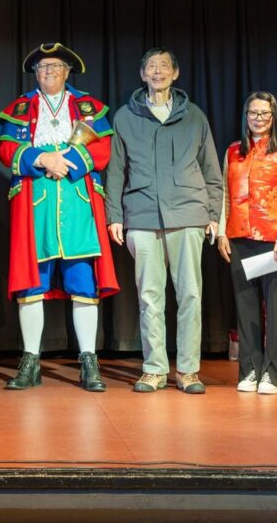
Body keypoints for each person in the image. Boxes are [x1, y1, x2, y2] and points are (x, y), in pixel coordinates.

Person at [0, 43, 118, 393]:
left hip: (78, 201)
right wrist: (41, 159)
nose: (49, 73)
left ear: (67, 72)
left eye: (55, 67)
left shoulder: (88, 105)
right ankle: (31, 361)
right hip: (36, 203)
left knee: (83, 284)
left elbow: (103, 149)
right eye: (43, 68)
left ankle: (89, 362)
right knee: (33, 284)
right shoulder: (20, 107)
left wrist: (69, 161)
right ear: (36, 73)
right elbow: (4, 147)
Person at [105, 47, 222, 394]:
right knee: (149, 297)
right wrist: (115, 215)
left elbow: (211, 170)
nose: (158, 72)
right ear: (142, 74)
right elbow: (115, 172)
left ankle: (188, 370)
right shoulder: (125, 117)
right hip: (141, 216)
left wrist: (213, 213)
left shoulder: (195, 117)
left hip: (188, 214)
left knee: (190, 295)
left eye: (164, 66)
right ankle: (154, 369)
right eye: (151, 67)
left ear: (175, 73)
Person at [217, 92, 277, 394]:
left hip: (272, 239)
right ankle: (250, 369)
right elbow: (224, 194)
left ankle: (275, 374)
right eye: (254, 113)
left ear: (274, 117)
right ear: (246, 115)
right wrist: (222, 233)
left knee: (275, 309)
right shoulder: (233, 152)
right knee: (246, 308)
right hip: (239, 236)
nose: (259, 119)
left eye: (265, 113)